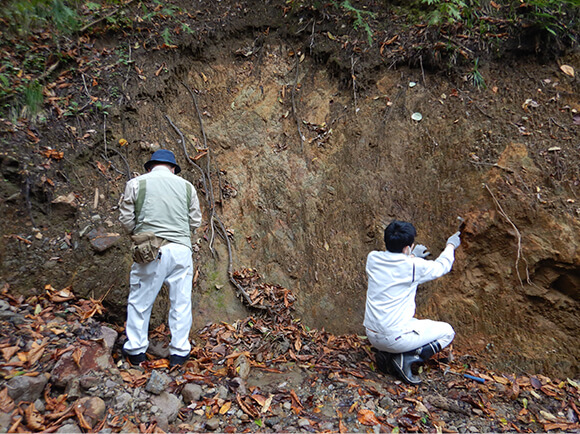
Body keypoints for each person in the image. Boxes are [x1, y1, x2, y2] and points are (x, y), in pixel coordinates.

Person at [119, 149, 202, 367]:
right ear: (173, 168)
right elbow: (195, 221)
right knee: (181, 303)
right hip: (182, 250)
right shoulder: (187, 187)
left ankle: (136, 352)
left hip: (151, 249)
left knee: (140, 301)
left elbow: (126, 219)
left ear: (150, 167)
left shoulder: (137, 183)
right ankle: (180, 353)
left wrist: (138, 233)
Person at [364, 220, 461, 384]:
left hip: (372, 334)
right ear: (407, 247)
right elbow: (442, 266)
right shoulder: (414, 266)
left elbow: (396, 268)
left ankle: (389, 355)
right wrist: (451, 245)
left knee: (411, 324)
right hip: (394, 338)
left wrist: (412, 256)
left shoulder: (372, 258)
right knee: (447, 332)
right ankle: (406, 358)